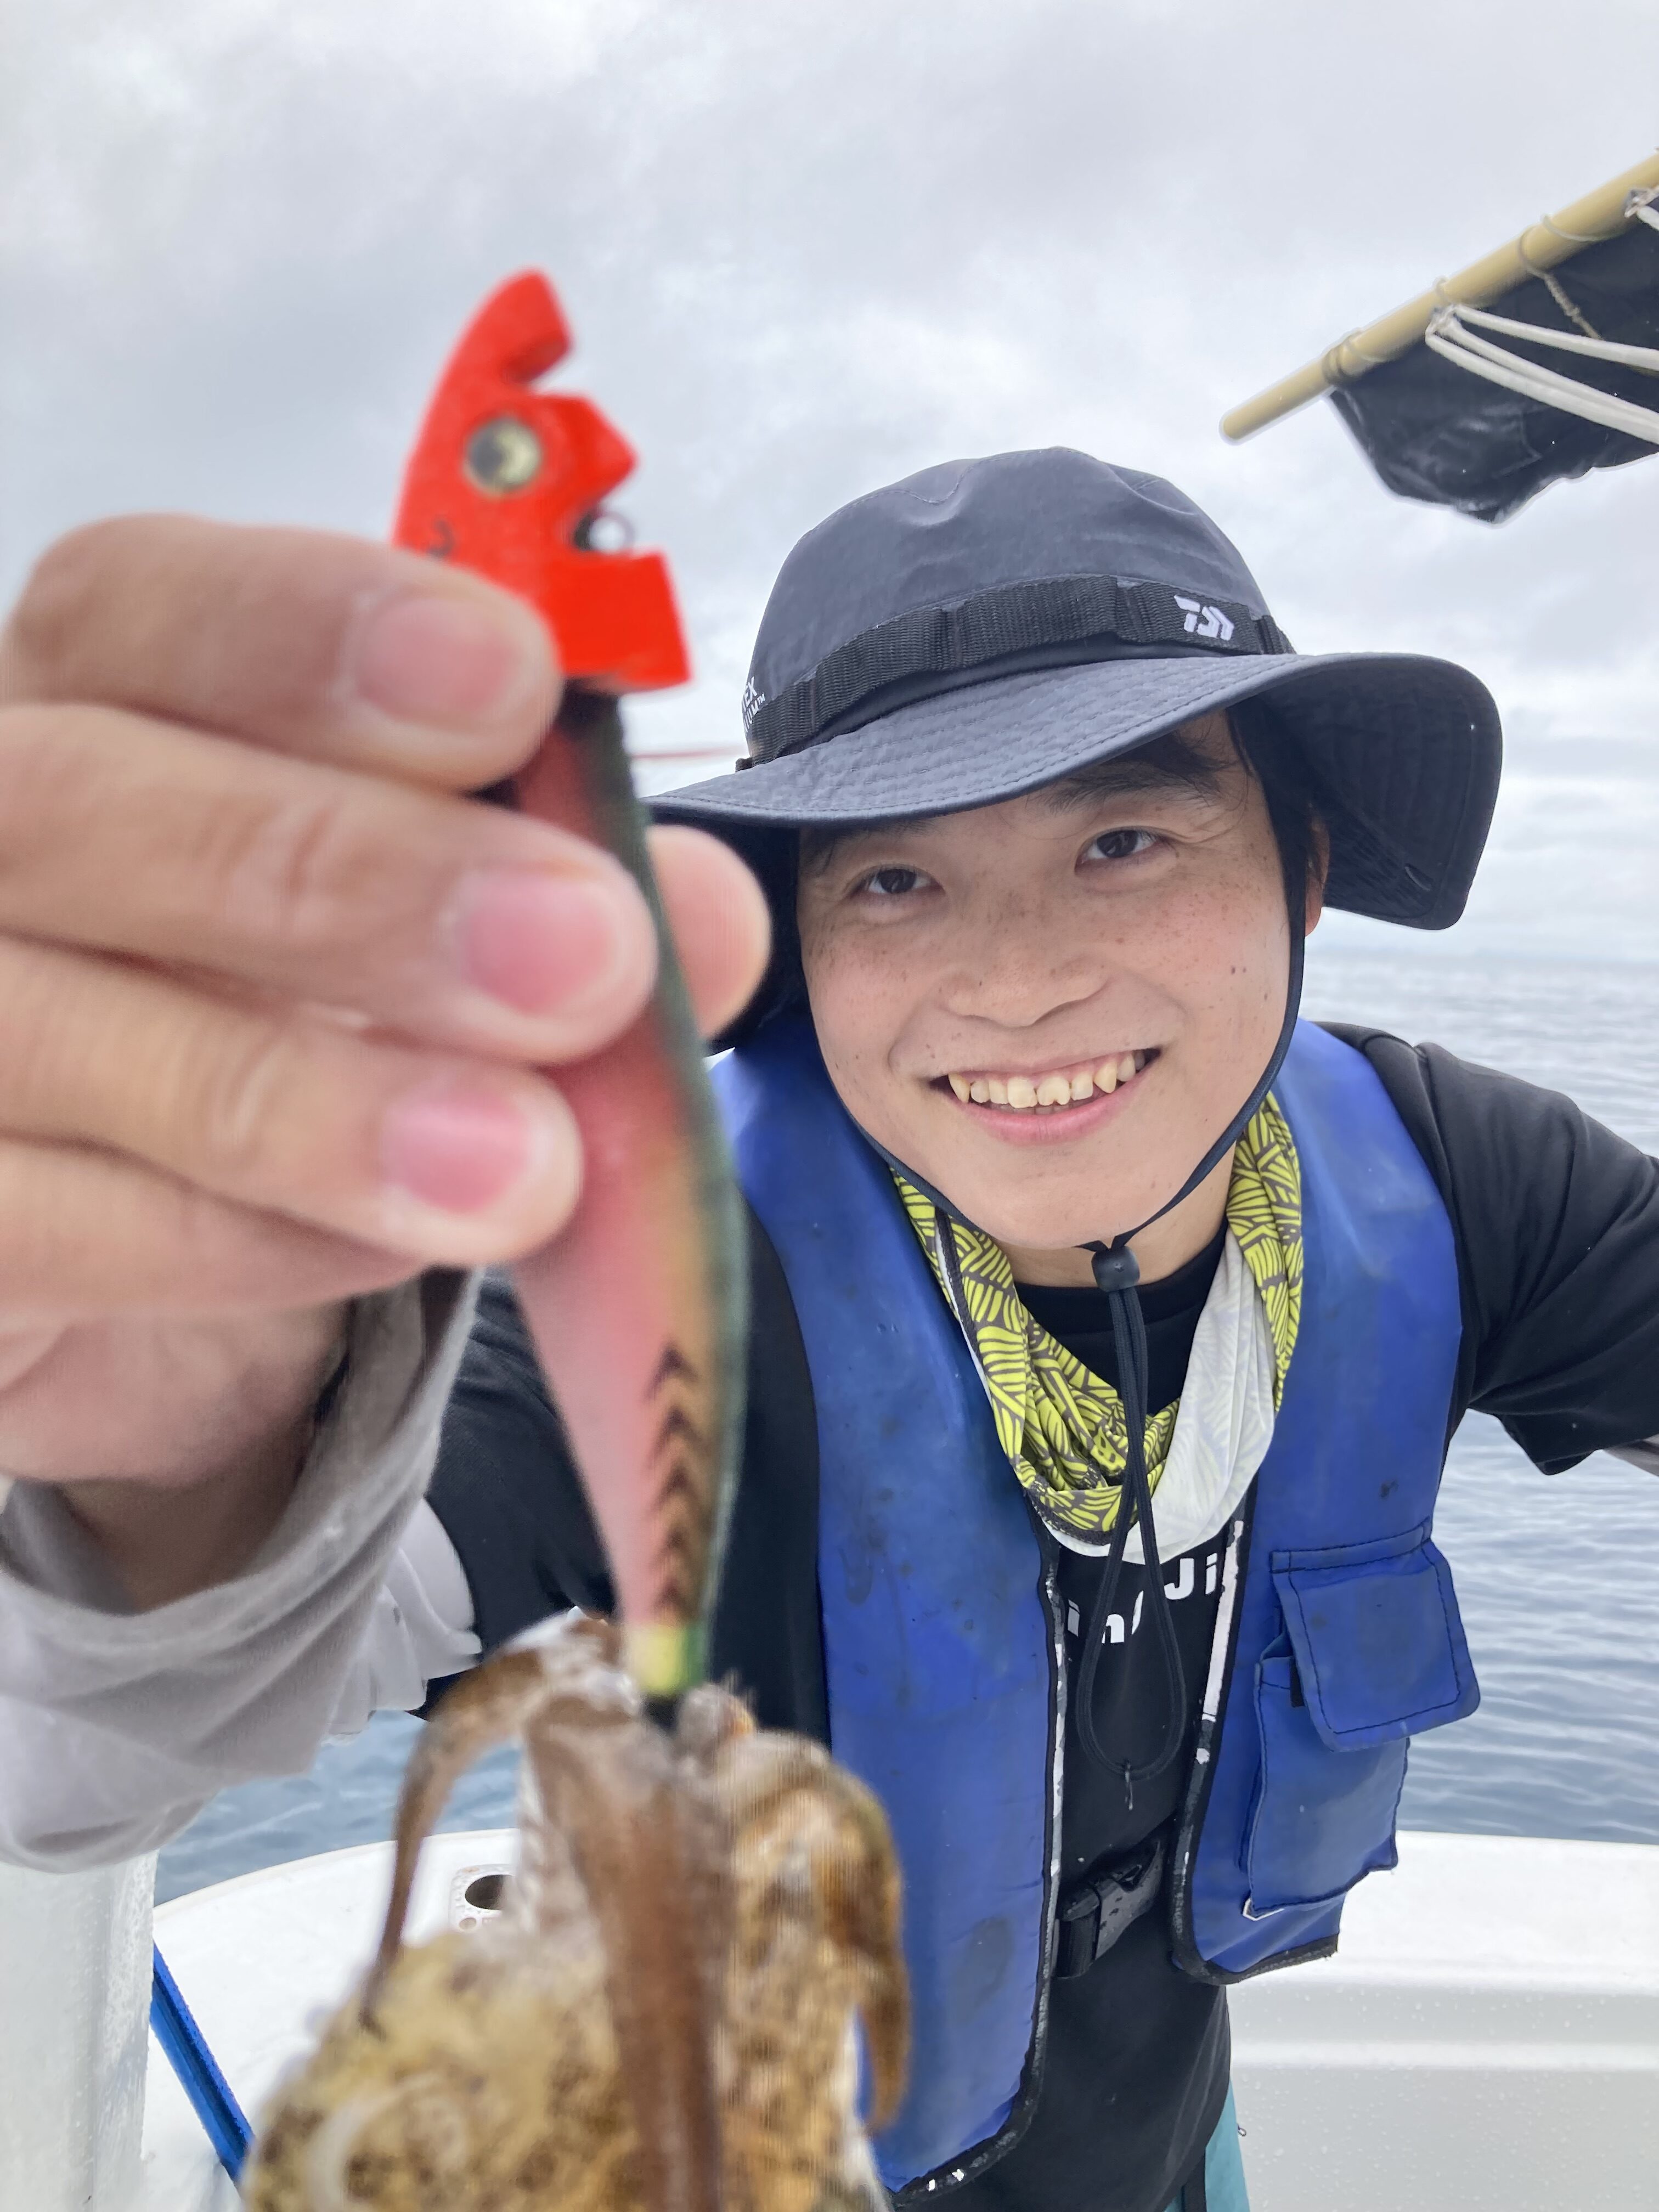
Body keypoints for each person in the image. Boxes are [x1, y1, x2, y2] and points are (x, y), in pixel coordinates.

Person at [1, 454, 1656, 2212]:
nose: (1017, 982)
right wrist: (164, 1465)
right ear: (790, 941)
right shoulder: (655, 1271)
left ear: (1302, 870)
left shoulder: (1457, 1179)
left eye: (1122, 841)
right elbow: (75, 1747)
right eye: (894, 882)